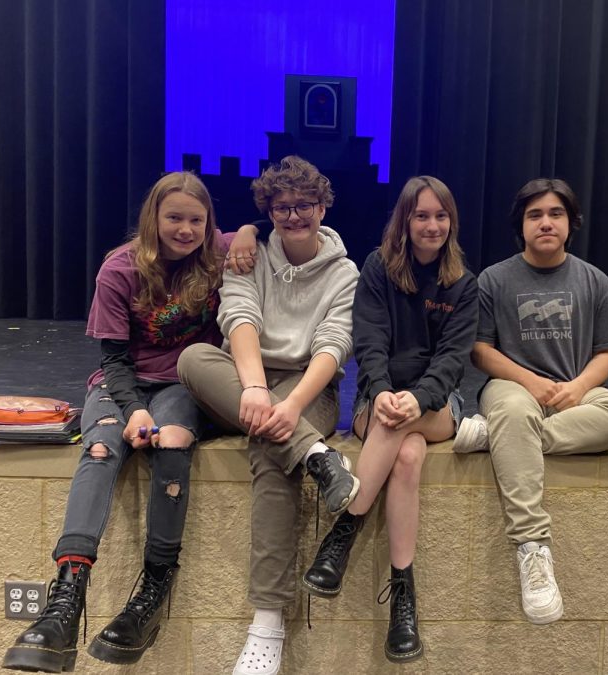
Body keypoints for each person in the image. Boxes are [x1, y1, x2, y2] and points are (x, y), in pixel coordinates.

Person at [3, 172, 258, 672]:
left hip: (182, 384)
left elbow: (251, 232)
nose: (185, 229)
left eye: (196, 220)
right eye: (174, 218)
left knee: (173, 443)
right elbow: (114, 359)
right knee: (99, 450)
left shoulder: (215, 255)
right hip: (122, 382)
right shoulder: (120, 269)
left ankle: (154, 589)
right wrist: (132, 408)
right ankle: (66, 597)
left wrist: (246, 230)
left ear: (209, 224)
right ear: (153, 218)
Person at [176, 155, 359, 675]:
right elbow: (240, 317)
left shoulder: (346, 272)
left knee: (270, 453)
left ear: (322, 207)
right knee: (193, 359)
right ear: (269, 211)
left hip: (309, 389)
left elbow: (334, 343)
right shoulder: (247, 256)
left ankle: (266, 623)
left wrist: (291, 406)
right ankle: (320, 457)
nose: (293, 215)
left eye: (304, 205)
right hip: (246, 376)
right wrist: (255, 388)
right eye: (281, 207)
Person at [302, 176, 478, 663]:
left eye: (440, 216)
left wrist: (417, 399)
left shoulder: (464, 283)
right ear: (405, 220)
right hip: (376, 405)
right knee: (407, 455)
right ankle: (404, 594)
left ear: (451, 222)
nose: (432, 225)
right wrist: (380, 391)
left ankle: (346, 526)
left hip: (438, 406)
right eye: (421, 215)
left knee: (407, 428)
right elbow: (370, 338)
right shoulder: (378, 268)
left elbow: (452, 360)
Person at [454, 178, 608, 625]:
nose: (545, 223)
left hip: (574, 389)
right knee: (515, 411)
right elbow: (480, 350)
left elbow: (607, 353)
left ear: (570, 223)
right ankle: (532, 549)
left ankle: (502, 439)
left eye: (555, 214)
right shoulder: (494, 280)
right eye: (534, 214)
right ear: (520, 224)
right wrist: (529, 381)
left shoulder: (595, 281)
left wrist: (577, 388)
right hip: (513, 386)